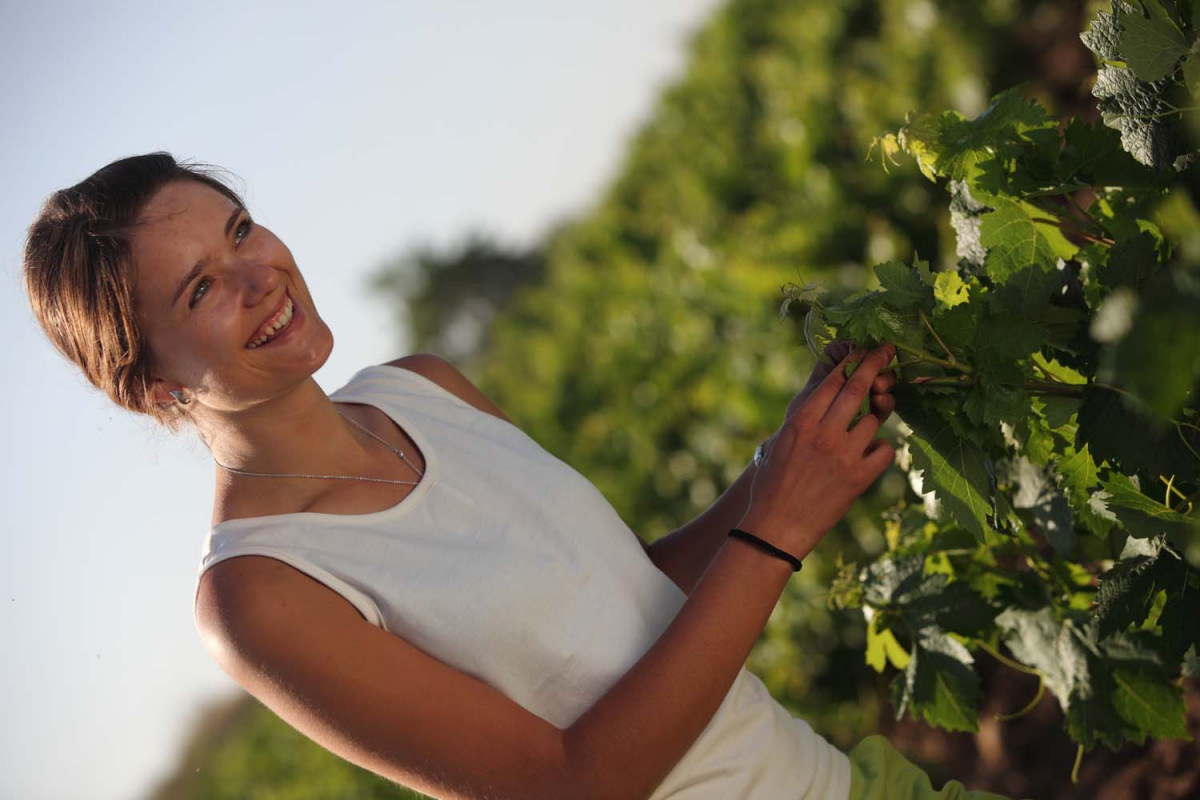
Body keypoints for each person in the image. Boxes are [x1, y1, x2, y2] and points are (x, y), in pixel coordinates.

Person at [23, 152, 1014, 800]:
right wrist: (777, 530)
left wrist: (779, 464)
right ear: (149, 385)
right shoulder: (257, 587)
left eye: (240, 228)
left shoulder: (420, 385)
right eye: (201, 286)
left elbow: (621, 604)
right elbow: (569, 783)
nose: (258, 275)